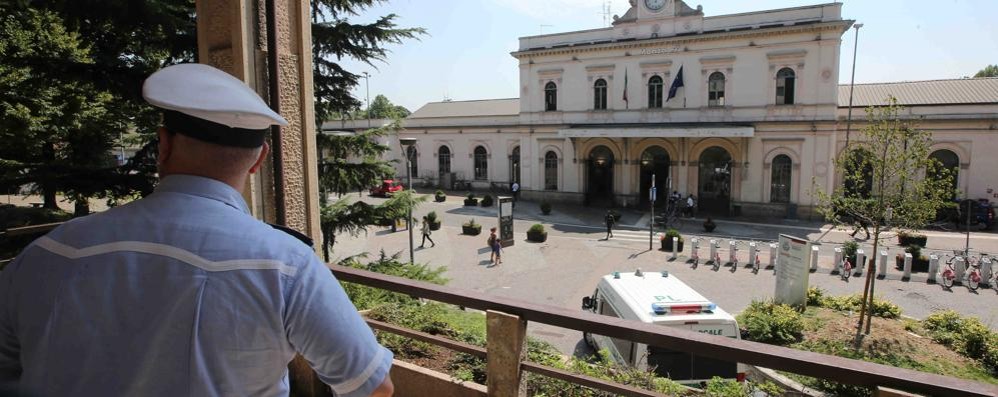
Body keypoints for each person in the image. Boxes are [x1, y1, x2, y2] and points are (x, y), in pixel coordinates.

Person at [0, 64, 394, 397]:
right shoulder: (285, 265)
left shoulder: (46, 252)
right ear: (259, 159)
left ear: (163, 145)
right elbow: (373, 385)